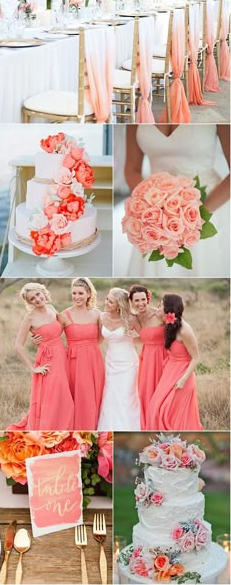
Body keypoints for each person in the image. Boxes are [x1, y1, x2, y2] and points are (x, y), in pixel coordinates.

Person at [114, 123, 230, 276]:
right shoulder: (138, 106)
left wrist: (195, 218)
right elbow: (131, 169)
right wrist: (148, 207)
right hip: (154, 213)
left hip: (207, 205)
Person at [8, 283, 74, 431]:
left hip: (62, 356)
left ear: (44, 293)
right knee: (53, 396)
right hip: (48, 361)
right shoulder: (29, 318)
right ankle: (50, 428)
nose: (37, 299)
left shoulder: (51, 309)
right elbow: (18, 346)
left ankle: (64, 426)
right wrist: (33, 368)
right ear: (29, 302)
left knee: (63, 395)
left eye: (38, 294)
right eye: (32, 298)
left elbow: (59, 328)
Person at [147, 293, 203, 430]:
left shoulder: (184, 330)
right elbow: (150, 313)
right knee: (155, 408)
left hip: (182, 375)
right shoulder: (168, 324)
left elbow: (196, 358)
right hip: (169, 371)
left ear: (169, 308)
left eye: (160, 305)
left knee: (171, 413)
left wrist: (183, 379)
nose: (157, 308)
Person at [59, 278, 105, 430]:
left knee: (94, 394)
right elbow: (53, 337)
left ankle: (93, 424)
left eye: (80, 293)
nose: (77, 296)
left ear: (88, 294)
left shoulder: (98, 314)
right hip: (73, 360)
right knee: (78, 394)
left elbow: (101, 337)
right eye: (74, 293)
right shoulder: (64, 315)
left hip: (93, 359)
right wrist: (37, 337)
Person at [98, 288, 140, 430]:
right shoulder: (101, 317)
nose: (106, 303)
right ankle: (111, 427)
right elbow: (96, 340)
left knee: (126, 395)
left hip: (128, 362)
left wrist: (130, 341)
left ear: (119, 305)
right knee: (111, 395)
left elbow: (147, 336)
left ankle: (129, 427)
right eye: (107, 299)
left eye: (110, 301)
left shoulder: (131, 319)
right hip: (111, 362)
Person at [129, 284, 168, 430]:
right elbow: (145, 338)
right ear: (131, 302)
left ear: (148, 299)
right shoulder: (135, 319)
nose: (140, 304)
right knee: (146, 392)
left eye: (143, 299)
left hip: (163, 356)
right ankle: (149, 423)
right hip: (147, 358)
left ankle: (161, 421)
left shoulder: (159, 314)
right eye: (136, 301)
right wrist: (124, 341)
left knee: (161, 391)